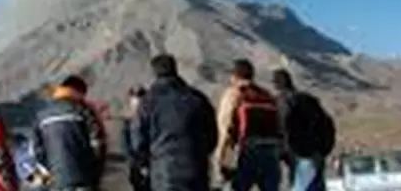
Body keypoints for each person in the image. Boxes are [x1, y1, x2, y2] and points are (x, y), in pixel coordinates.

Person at [131, 54, 218, 191]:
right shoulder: (198, 99)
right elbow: (212, 136)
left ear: (154, 73)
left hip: (164, 172)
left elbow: (138, 139)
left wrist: (144, 162)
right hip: (196, 169)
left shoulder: (148, 102)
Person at [214, 59, 283, 191]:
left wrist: (220, 158)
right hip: (271, 153)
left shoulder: (234, 93)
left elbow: (225, 127)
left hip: (248, 151)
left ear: (234, 76)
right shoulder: (266, 95)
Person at [31, 75, 108, 191]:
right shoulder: (84, 111)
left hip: (57, 184)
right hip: (83, 181)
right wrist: (95, 177)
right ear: (79, 91)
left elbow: (36, 153)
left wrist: (50, 181)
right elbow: (98, 143)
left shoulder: (41, 117)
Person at [271, 69, 336, 191]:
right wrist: (323, 150)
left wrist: (284, 151)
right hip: (317, 153)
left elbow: (283, 125)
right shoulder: (309, 100)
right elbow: (328, 124)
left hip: (300, 154)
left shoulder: (283, 101)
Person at [122, 85, 150, 191]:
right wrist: (134, 162)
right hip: (135, 165)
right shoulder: (128, 122)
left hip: (148, 163)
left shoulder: (149, 120)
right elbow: (125, 144)